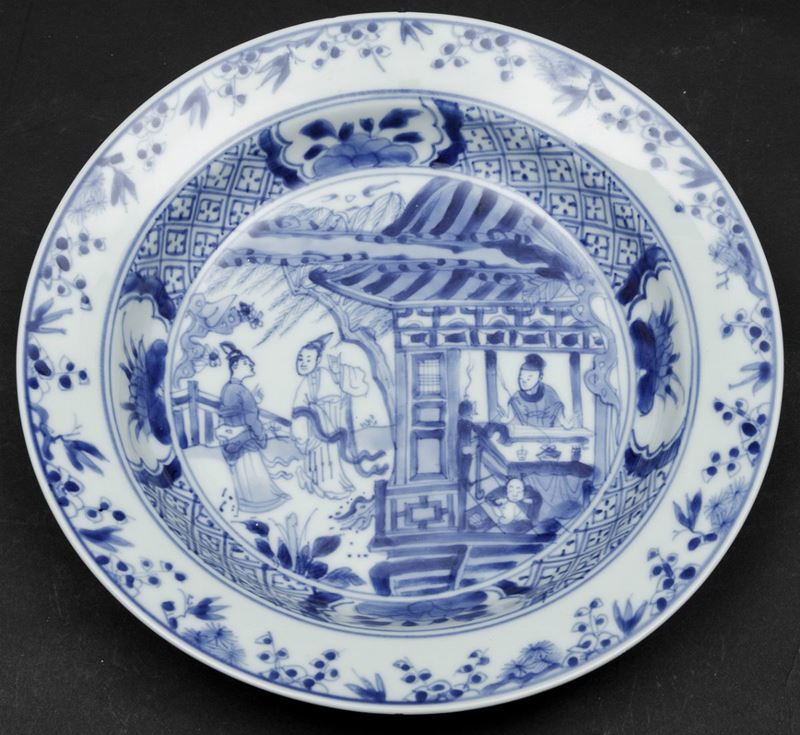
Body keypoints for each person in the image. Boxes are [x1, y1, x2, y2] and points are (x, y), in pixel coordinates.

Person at [291, 333, 370, 499]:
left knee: (329, 460)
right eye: (300, 359)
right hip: (315, 429)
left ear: (318, 360)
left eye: (308, 359)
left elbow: (349, 390)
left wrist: (339, 373)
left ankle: (332, 486)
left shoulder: (326, 375)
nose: (303, 363)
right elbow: (299, 409)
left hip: (328, 427)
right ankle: (320, 486)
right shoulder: (306, 382)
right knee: (318, 460)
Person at [216, 342, 288, 513]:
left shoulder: (230, 388)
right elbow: (249, 417)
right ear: (235, 366)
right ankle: (260, 501)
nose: (252, 365)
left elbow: (238, 410)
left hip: (236, 437)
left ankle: (248, 500)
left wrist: (252, 400)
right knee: (251, 468)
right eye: (246, 363)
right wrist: (260, 435)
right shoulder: (238, 390)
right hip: (244, 437)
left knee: (244, 470)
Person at [506, 353, 573, 429]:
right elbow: (509, 418)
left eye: (529, 378)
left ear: (540, 377)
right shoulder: (516, 398)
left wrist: (565, 423)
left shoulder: (549, 393)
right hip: (525, 432)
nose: (524, 381)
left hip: (549, 431)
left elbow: (559, 412)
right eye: (521, 377)